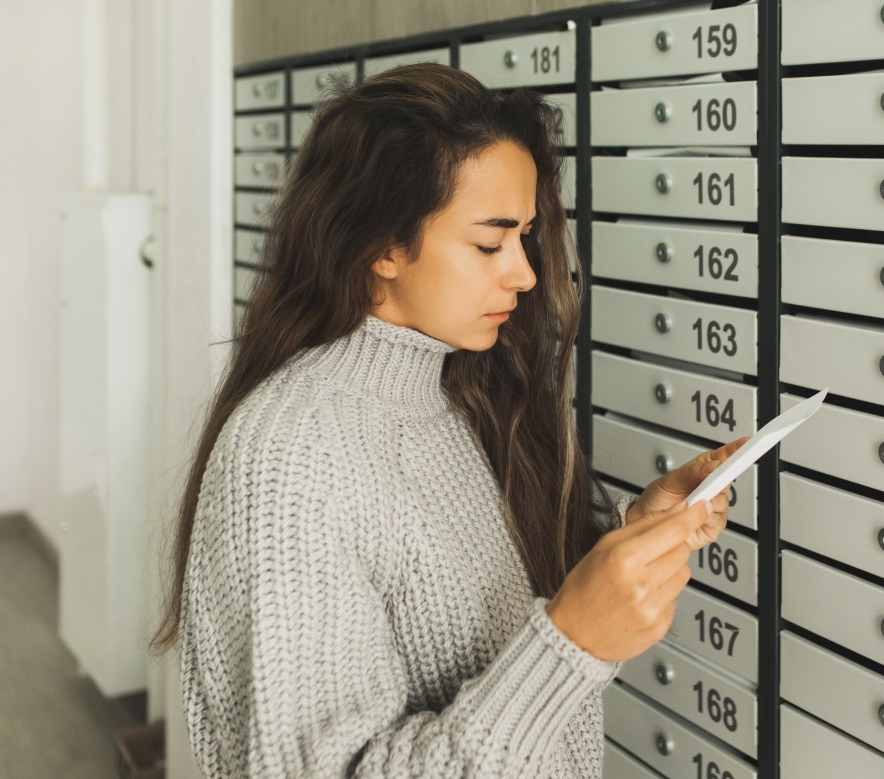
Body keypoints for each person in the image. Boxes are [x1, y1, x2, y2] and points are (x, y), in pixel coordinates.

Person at [149, 62, 746, 778]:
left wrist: (626, 542)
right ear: (383, 246)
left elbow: (489, 647)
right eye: (490, 243)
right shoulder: (291, 459)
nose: (525, 274)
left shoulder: (451, 397)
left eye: (525, 238)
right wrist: (574, 642)